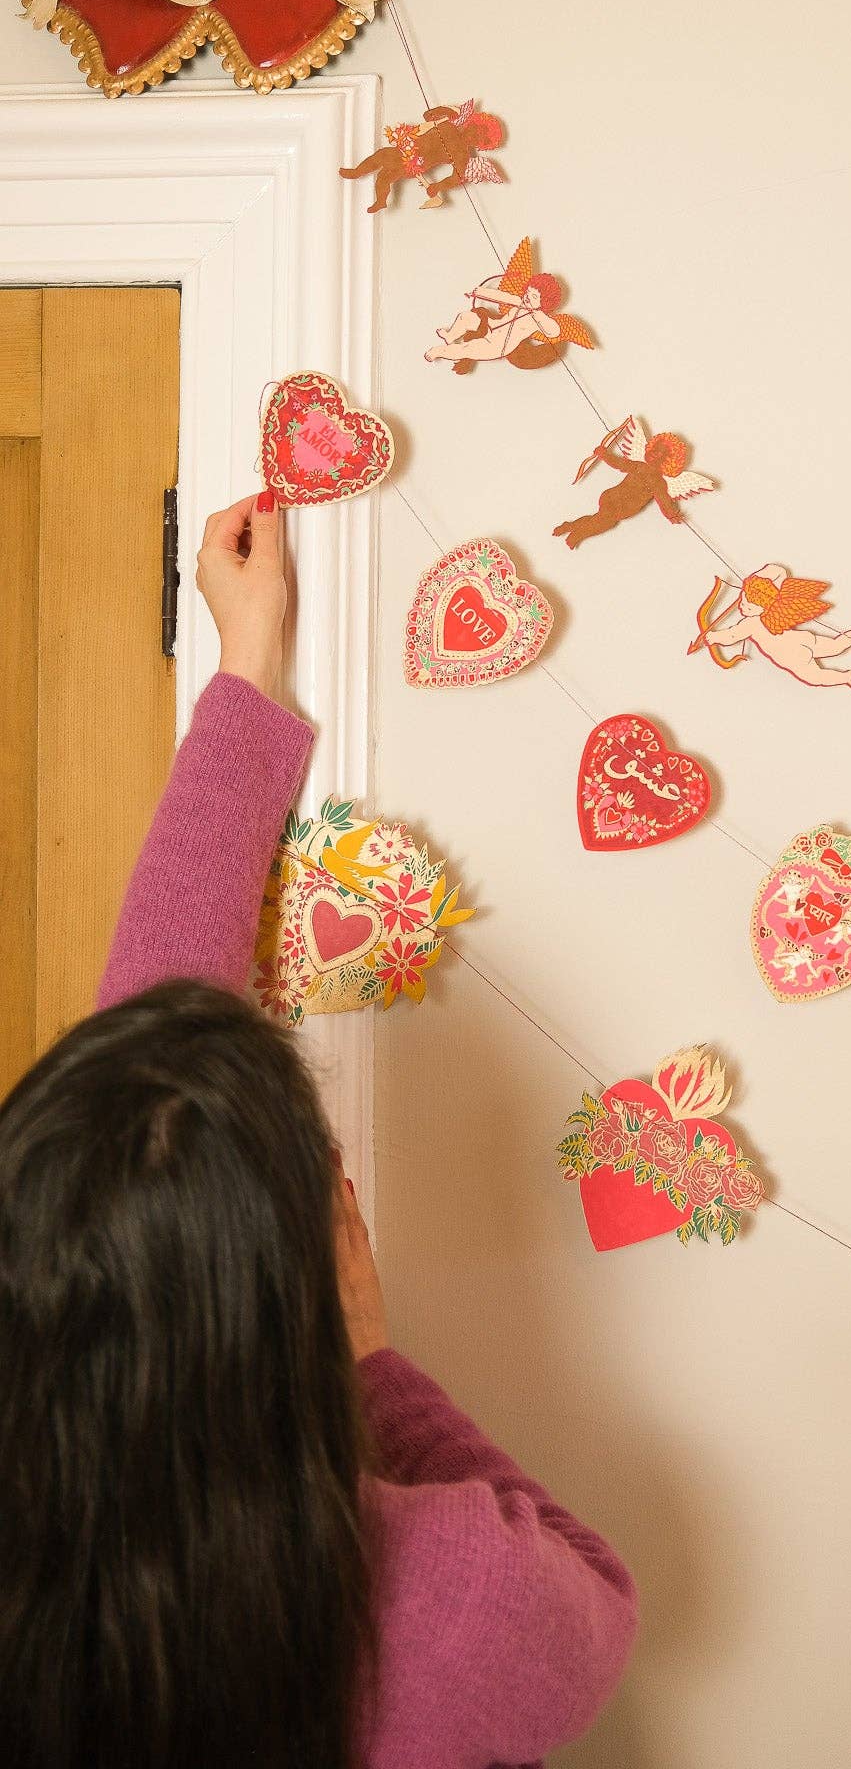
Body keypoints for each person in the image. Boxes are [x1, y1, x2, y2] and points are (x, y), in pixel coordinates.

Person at [0, 490, 637, 1769]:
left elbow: (155, 1097)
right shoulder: (444, 1595)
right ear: (279, 1293)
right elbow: (594, 1601)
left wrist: (246, 674)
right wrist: (370, 1357)